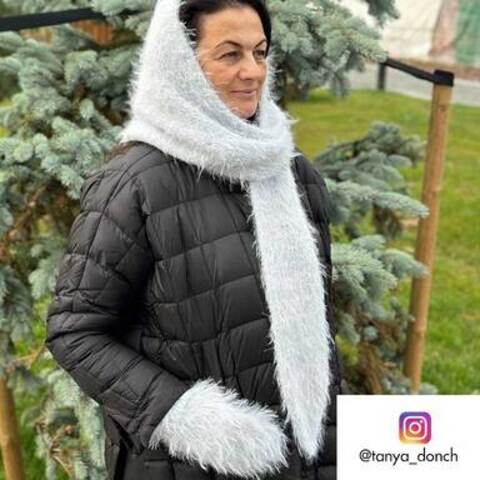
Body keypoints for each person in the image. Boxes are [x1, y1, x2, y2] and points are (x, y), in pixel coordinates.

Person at [45, 0, 342, 478]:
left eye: (260, 52)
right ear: (179, 66)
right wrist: (189, 418)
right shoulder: (135, 184)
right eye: (230, 54)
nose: (252, 71)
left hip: (308, 456)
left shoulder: (292, 173)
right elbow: (74, 332)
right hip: (187, 463)